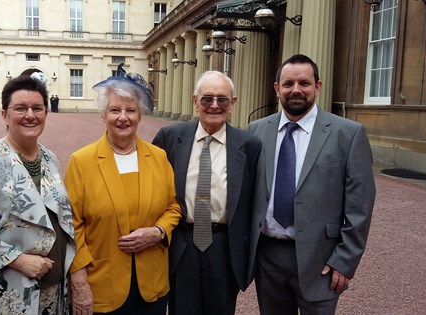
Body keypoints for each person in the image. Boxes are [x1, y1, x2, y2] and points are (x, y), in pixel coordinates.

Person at [246, 54, 376, 315]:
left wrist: (345, 260)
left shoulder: (348, 134)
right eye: (288, 83)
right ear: (277, 88)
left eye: (304, 83)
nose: (296, 90)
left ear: (317, 86)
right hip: (268, 257)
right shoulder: (256, 131)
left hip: (321, 259)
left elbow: (359, 205)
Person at [0, 75, 76, 315]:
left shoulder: (49, 158)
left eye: (37, 108)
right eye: (20, 108)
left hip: (49, 290)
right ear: (5, 115)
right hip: (6, 292)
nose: (30, 115)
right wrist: (17, 260)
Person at [64, 67, 181, 315]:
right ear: (103, 115)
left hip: (151, 285)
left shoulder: (158, 157)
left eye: (131, 110)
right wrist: (80, 282)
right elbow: (71, 225)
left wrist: (158, 231)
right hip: (102, 285)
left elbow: (173, 207)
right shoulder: (82, 161)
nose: (123, 117)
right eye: (115, 110)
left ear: (140, 116)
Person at [152, 70, 261, 315]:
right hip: (181, 244)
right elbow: (152, 188)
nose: (214, 105)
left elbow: (254, 201)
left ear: (233, 104)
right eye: (207, 99)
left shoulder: (249, 145)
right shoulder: (169, 138)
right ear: (195, 101)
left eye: (222, 99)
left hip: (225, 247)